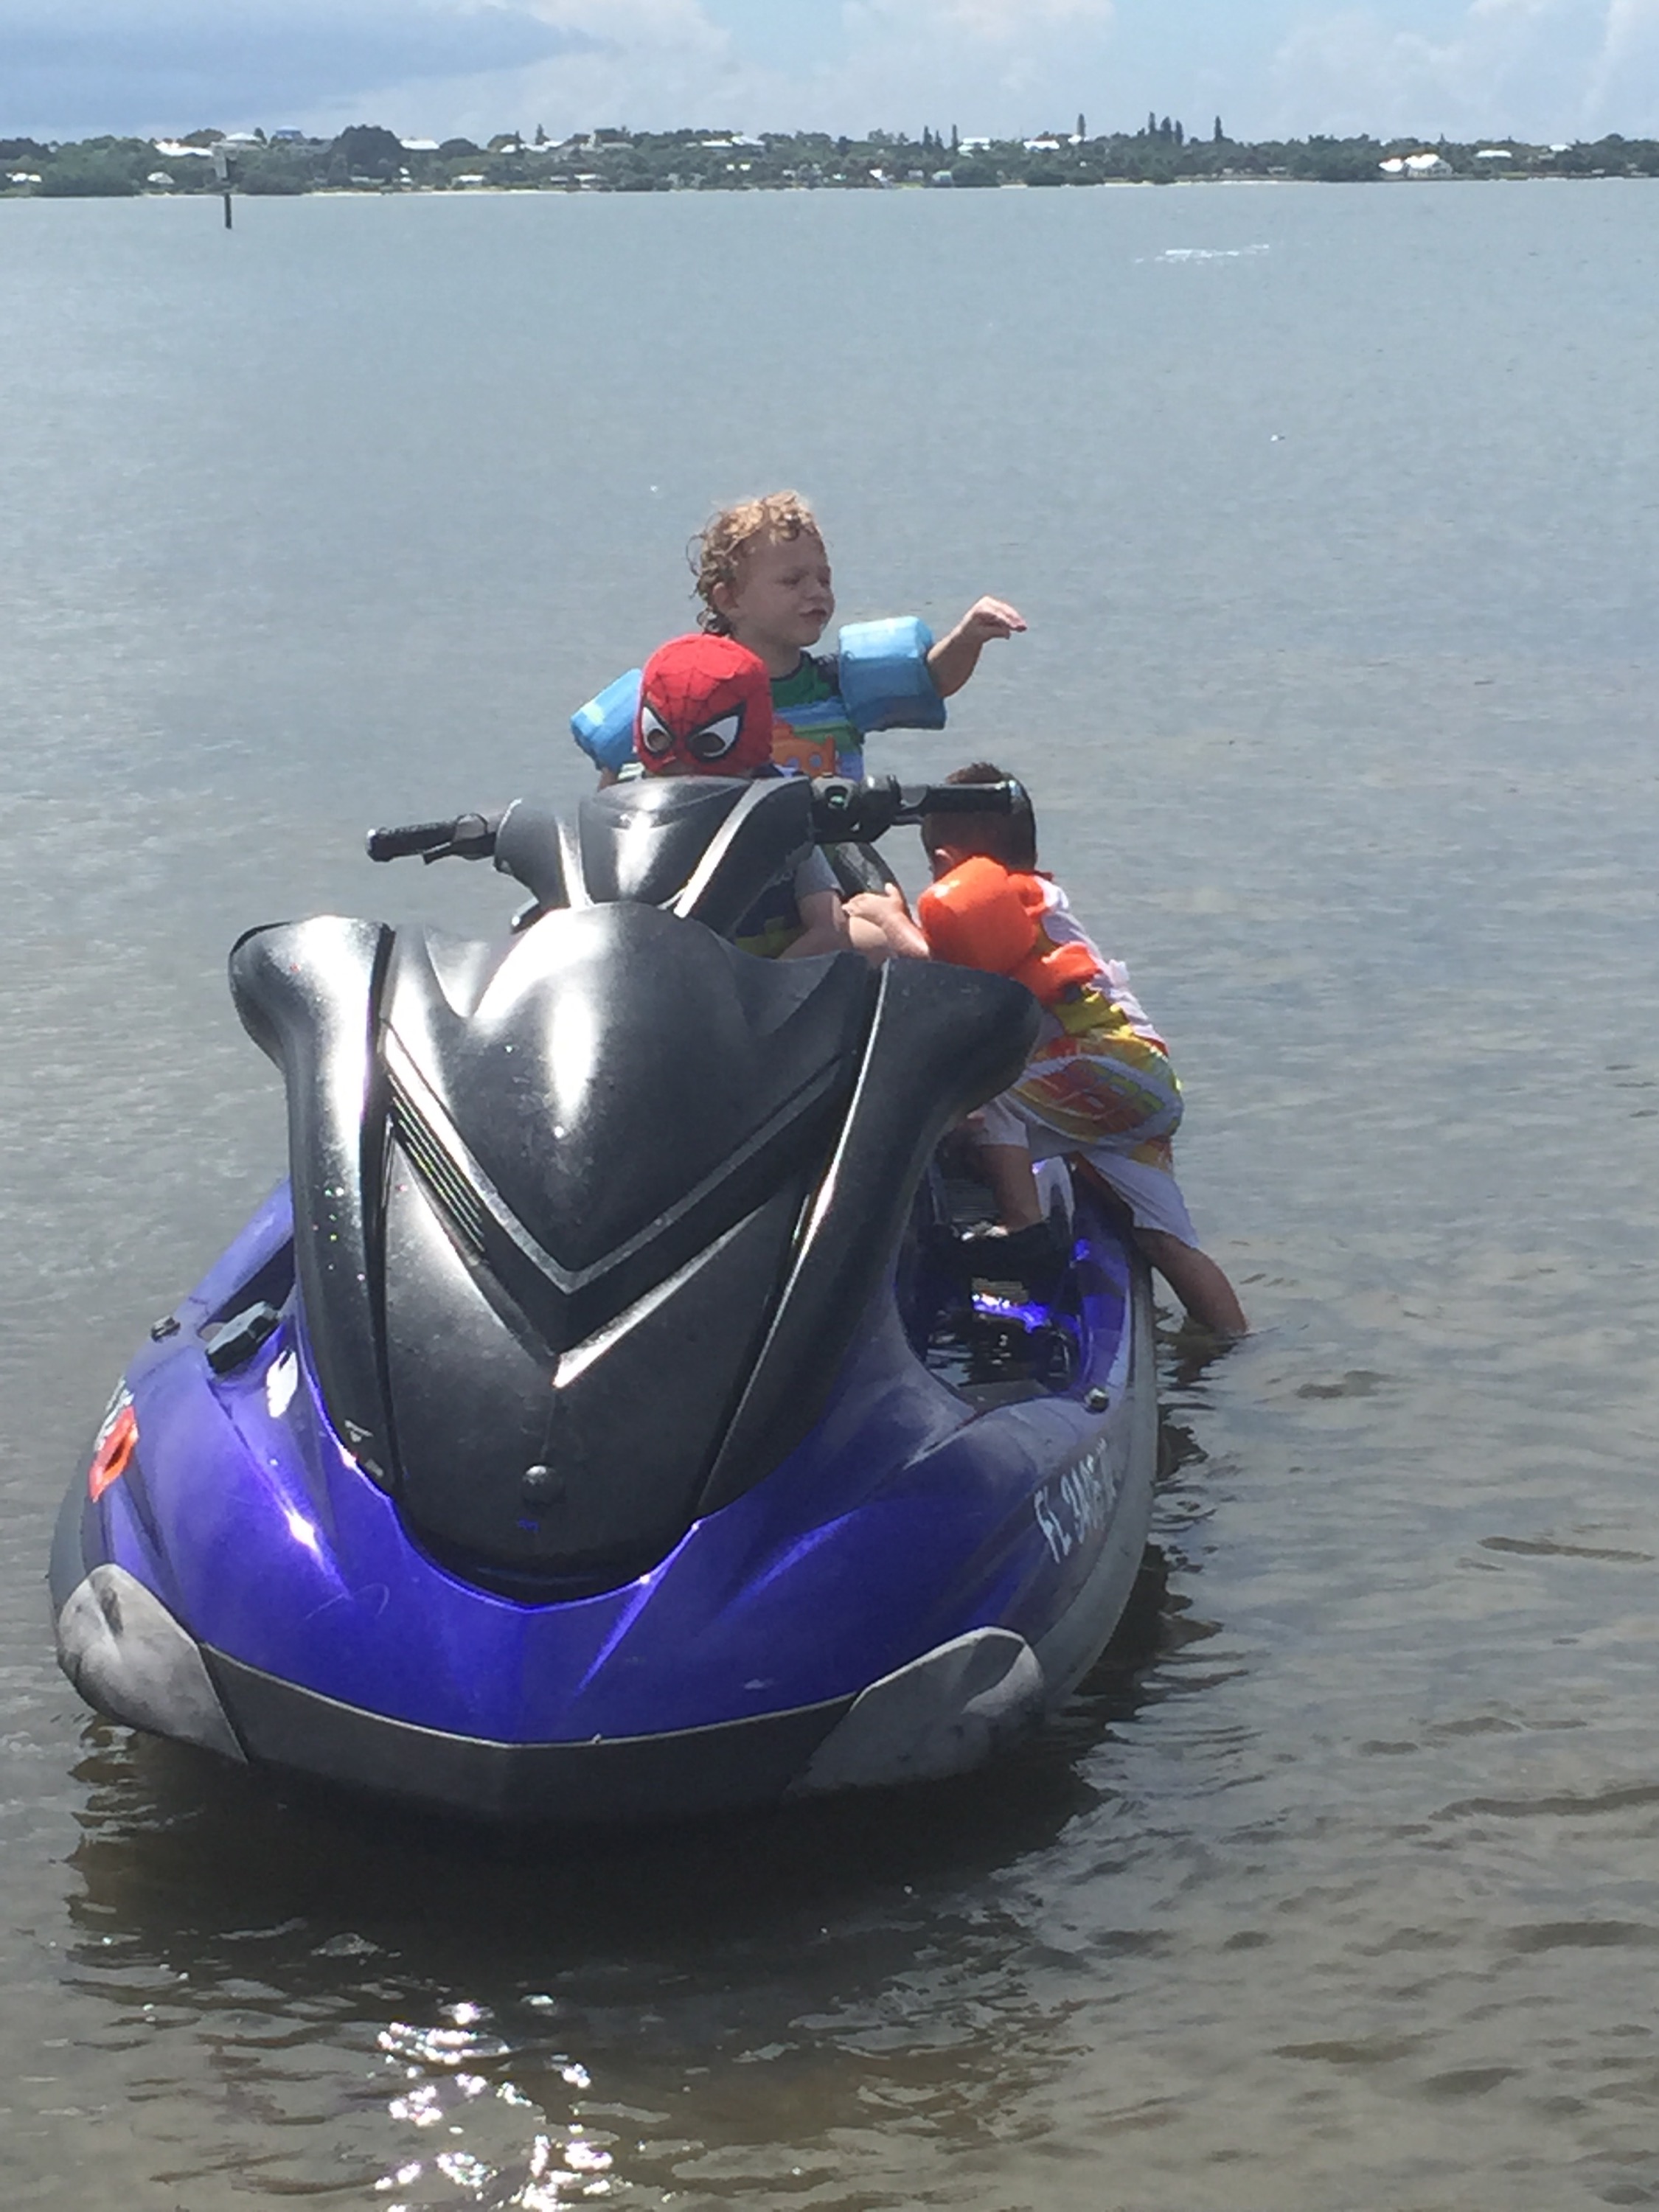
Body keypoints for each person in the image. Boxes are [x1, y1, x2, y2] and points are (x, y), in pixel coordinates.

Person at [913, 764, 1248, 1338]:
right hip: (1141, 1083)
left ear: (948, 864)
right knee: (1165, 1240)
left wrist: (886, 919)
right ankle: (1233, 1341)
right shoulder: (1042, 900)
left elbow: (939, 979)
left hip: (1111, 1067)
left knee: (987, 1087)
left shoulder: (1009, 902)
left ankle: (1023, 1223)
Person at [572, 490, 1025, 783]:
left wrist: (969, 636)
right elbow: (614, 783)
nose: (816, 592)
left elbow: (931, 681)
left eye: (823, 579)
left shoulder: (839, 686)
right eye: (792, 581)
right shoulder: (678, 692)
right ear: (730, 599)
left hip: (829, 871)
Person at [630, 630, 855, 963]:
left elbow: (829, 928)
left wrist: (760, 982)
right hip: (661, 982)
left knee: (872, 942)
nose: (687, 782)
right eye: (668, 775)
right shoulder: (627, 808)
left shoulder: (782, 808)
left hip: (770, 977)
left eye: (708, 772)